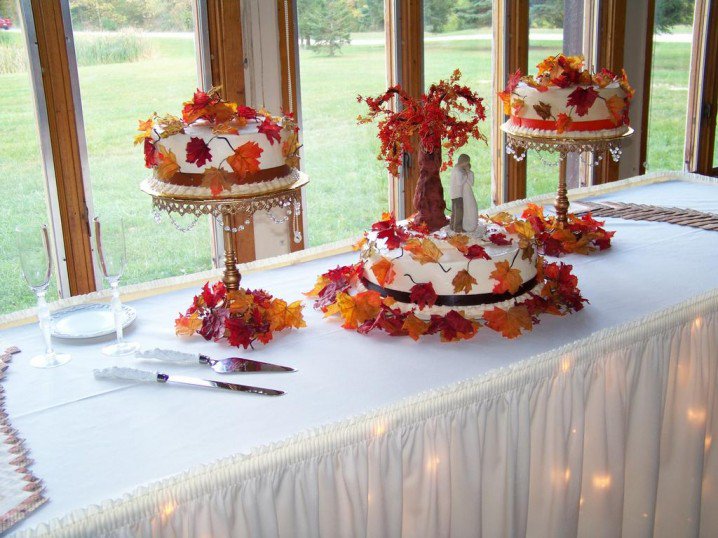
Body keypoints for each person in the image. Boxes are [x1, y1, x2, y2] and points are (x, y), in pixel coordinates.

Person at [449, 154, 479, 233]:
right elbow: (460, 183)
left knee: (455, 211)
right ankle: (457, 228)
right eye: (467, 163)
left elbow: (470, 183)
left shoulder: (457, 169)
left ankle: (452, 226)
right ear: (464, 162)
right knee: (458, 212)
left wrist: (466, 174)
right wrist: (465, 176)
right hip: (457, 194)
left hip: (456, 193)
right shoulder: (458, 171)